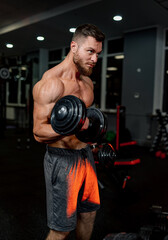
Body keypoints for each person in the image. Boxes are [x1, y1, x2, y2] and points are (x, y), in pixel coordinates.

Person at [33, 23, 105, 240]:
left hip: (85, 156)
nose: (94, 59)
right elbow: (38, 131)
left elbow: (87, 122)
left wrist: (93, 139)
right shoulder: (52, 83)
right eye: (90, 52)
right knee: (62, 227)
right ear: (74, 47)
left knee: (89, 213)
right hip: (61, 160)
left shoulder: (87, 82)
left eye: (98, 53)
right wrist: (73, 126)